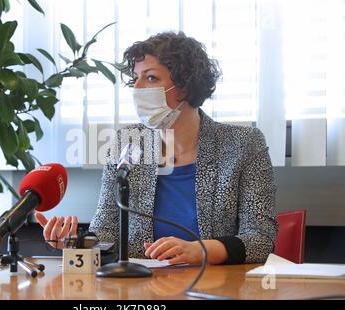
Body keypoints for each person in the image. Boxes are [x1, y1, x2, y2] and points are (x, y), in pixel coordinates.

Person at [36, 31, 278, 265]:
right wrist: (74, 243)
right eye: (136, 78)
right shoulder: (127, 143)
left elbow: (260, 239)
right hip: (139, 289)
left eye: (150, 78)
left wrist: (199, 250)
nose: (137, 88)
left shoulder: (243, 144)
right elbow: (105, 234)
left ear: (184, 86)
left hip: (215, 286)